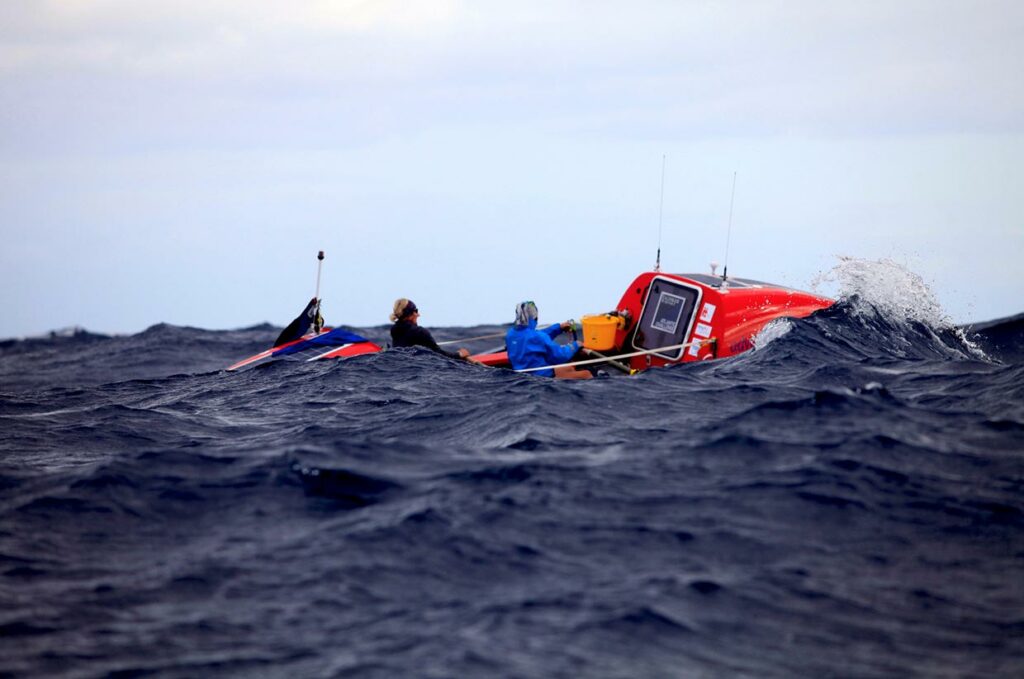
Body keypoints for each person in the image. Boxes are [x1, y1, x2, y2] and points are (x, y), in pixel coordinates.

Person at [505, 301, 592, 379]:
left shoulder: (511, 334)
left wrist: (559, 328)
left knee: (569, 368)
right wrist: (575, 345)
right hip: (541, 377)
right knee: (586, 374)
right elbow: (560, 356)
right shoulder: (538, 336)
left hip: (520, 376)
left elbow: (535, 337)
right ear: (534, 317)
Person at [389, 298, 470, 359]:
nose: (418, 314)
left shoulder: (394, 330)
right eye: (416, 311)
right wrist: (459, 354)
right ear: (410, 314)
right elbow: (440, 355)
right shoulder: (419, 332)